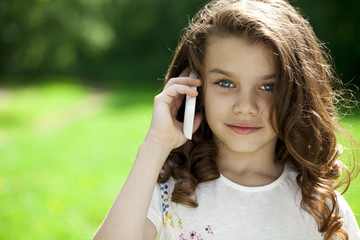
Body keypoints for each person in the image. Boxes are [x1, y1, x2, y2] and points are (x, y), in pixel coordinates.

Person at [93, 0, 360, 239]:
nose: (246, 107)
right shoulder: (169, 191)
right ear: (195, 86)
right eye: (225, 83)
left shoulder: (320, 205)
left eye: (268, 87)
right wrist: (155, 144)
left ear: (295, 94)